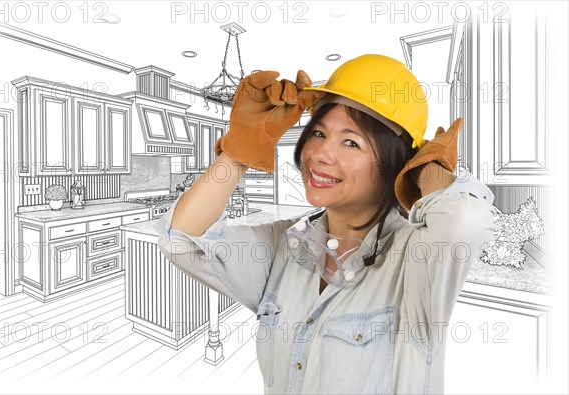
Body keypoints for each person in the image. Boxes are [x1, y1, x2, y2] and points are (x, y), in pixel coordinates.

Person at [156, 54, 497, 394]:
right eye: (318, 133)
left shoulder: (416, 260)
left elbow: (464, 225)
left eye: (351, 142)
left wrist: (428, 169)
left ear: (397, 162)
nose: (320, 154)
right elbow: (182, 241)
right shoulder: (284, 246)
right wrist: (237, 151)